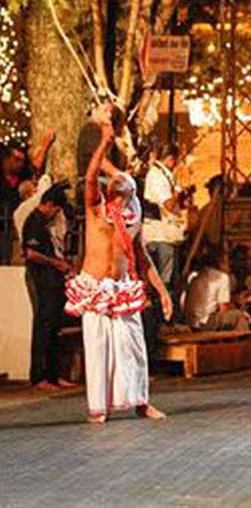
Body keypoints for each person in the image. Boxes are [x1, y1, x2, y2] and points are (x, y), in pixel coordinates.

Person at [65, 108, 171, 423]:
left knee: (133, 346)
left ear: (129, 192)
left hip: (122, 287)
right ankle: (99, 409)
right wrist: (104, 142)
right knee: (98, 348)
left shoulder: (133, 221)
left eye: (120, 184)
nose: (114, 186)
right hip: (96, 286)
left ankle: (141, 402)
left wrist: (162, 291)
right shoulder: (95, 209)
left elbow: (143, 258)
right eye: (112, 184)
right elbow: (89, 177)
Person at [21, 182, 75, 391]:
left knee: (55, 327)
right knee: (43, 327)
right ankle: (39, 376)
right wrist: (56, 263)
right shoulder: (34, 221)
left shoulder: (45, 223)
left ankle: (54, 374)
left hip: (54, 280)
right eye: (56, 209)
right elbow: (31, 253)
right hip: (41, 279)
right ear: (49, 204)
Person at [143, 142, 188, 313]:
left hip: (162, 233)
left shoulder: (162, 175)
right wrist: (178, 189)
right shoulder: (157, 176)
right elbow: (168, 205)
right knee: (164, 279)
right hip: (160, 234)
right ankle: (160, 314)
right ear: (170, 159)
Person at [1, 132, 53, 265]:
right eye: (16, 160)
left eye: (22, 161)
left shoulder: (23, 173)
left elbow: (36, 166)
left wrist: (45, 145)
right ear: (6, 159)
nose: (20, 164)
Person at [183, 249, 251, 331]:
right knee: (239, 316)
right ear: (219, 263)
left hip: (191, 322)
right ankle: (244, 339)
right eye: (226, 262)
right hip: (205, 322)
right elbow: (223, 309)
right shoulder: (222, 277)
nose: (229, 266)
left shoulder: (197, 277)